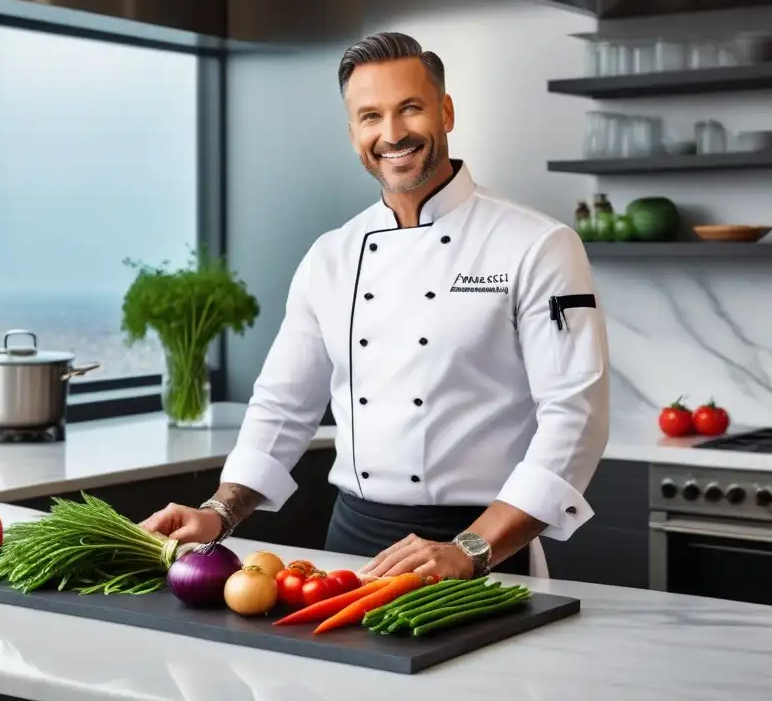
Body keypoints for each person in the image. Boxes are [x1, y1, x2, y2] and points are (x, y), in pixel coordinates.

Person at [142, 31, 609, 580]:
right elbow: (282, 406)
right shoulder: (331, 256)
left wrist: (473, 549)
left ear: (447, 112)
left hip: (481, 550)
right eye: (370, 117)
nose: (392, 135)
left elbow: (575, 417)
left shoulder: (538, 244)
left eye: (410, 108)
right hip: (350, 550)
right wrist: (218, 513)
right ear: (352, 132)